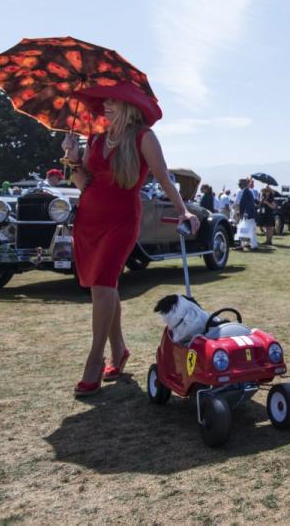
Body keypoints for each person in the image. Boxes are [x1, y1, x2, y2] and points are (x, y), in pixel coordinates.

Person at [61, 97, 200, 397]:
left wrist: (183, 211)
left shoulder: (143, 137)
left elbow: (164, 177)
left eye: (112, 102)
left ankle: (94, 361)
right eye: (105, 101)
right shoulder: (96, 137)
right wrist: (73, 158)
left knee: (102, 283)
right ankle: (119, 349)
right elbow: (83, 183)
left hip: (121, 219)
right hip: (88, 219)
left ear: (130, 106)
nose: (105, 107)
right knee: (104, 286)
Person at [234, 178, 259, 250]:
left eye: (240, 183)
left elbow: (247, 204)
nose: (239, 185)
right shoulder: (246, 191)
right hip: (248, 214)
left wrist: (243, 213)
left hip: (248, 214)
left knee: (246, 230)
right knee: (246, 230)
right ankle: (249, 245)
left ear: (243, 184)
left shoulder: (246, 192)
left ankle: (249, 245)